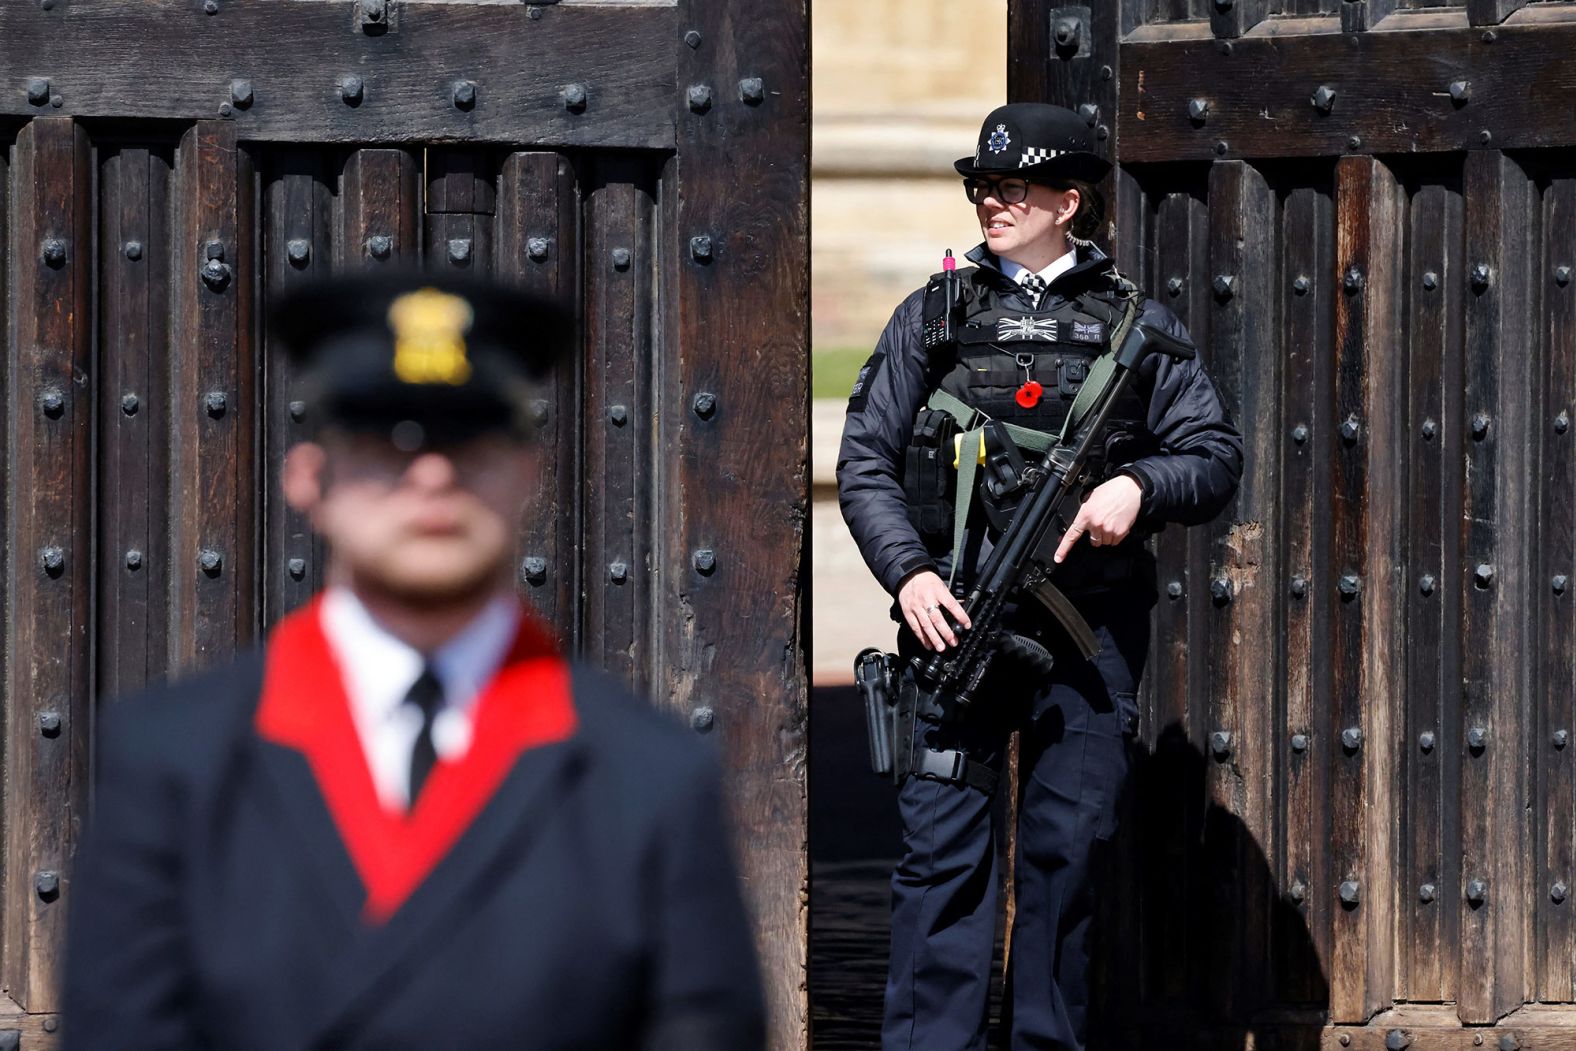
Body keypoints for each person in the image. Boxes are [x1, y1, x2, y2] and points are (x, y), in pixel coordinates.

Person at [62, 271, 766, 1051]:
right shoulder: (172, 760)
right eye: (385, 438)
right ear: (309, 480)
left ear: (528, 473)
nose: (433, 473)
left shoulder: (652, 773)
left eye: (469, 435)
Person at [837, 102, 1244, 1050]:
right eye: (983, 186)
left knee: (1064, 857)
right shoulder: (933, 316)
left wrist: (1140, 486)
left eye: (1012, 187)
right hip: (953, 628)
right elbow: (865, 459)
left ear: (1070, 200)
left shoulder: (1137, 326)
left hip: (1085, 632)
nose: (991, 201)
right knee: (941, 856)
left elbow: (1214, 454)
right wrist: (907, 575)